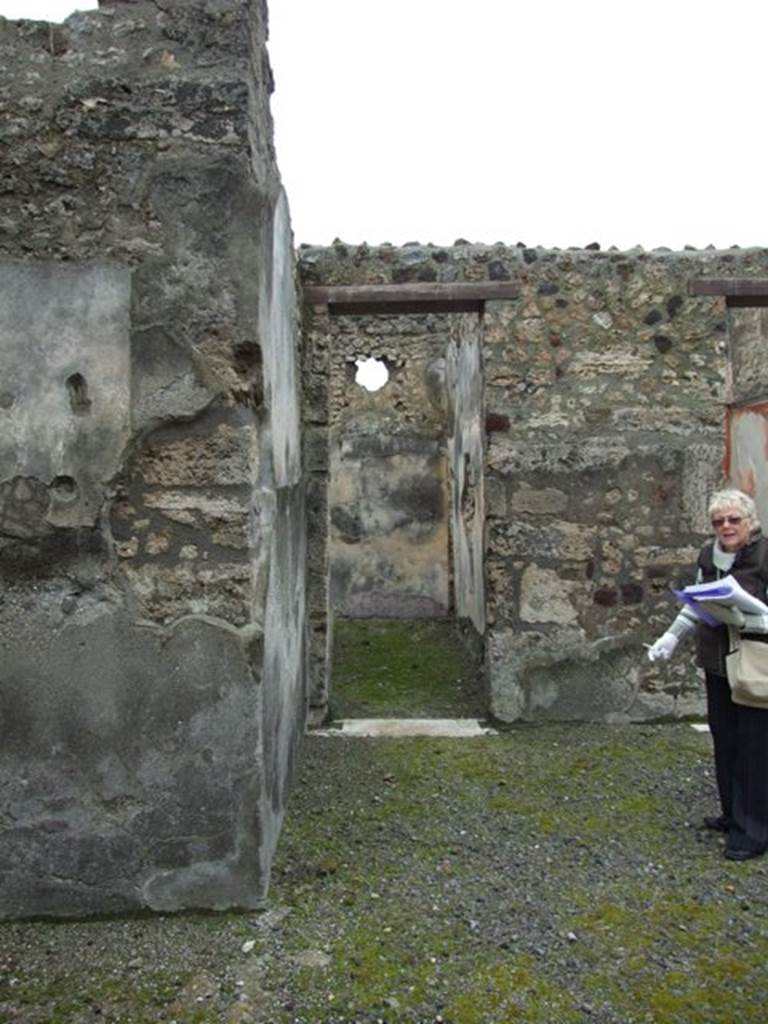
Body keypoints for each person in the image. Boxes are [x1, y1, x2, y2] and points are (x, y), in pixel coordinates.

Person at [647, 488, 768, 861]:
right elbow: (697, 602)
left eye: (734, 519)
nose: (726, 527)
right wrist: (670, 636)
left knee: (754, 746)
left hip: (753, 661)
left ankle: (753, 832)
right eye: (719, 521)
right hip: (717, 661)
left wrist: (754, 617)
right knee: (725, 739)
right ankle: (733, 815)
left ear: (750, 521)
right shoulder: (707, 554)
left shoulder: (765, 555)